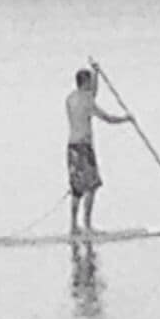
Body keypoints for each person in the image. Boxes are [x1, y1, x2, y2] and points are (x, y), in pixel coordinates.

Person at [66, 66, 131, 235]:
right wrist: (126, 119)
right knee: (92, 186)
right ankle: (87, 226)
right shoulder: (87, 101)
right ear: (85, 82)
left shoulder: (70, 99)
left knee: (76, 189)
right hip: (83, 148)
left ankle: (74, 226)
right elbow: (108, 118)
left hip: (71, 147)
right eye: (89, 82)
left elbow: (92, 92)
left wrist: (96, 74)